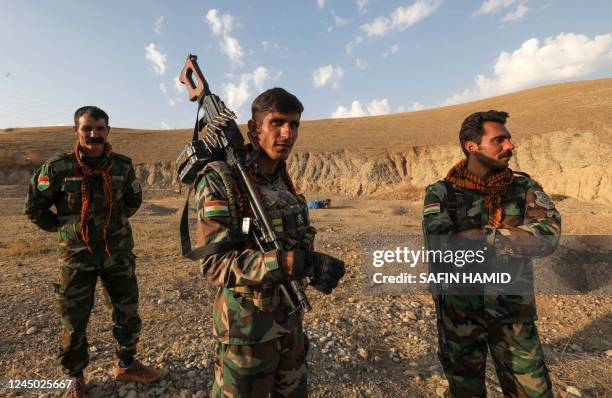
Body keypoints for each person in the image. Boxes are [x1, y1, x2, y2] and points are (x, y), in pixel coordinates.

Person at [194, 88, 345, 397]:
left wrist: (313, 266)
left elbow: (293, 240)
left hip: (289, 326)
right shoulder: (222, 180)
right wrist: (290, 262)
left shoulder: (282, 181)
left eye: (294, 124)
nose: (287, 133)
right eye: (277, 122)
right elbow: (214, 264)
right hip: (246, 334)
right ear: (254, 128)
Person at [422, 110, 561, 397]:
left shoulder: (524, 188)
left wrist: (488, 236)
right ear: (471, 146)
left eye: (509, 140)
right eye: (499, 140)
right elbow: (440, 244)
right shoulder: (442, 193)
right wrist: (516, 237)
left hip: (513, 316)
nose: (510, 146)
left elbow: (548, 236)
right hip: (459, 317)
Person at [24, 106, 160, 398]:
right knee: (74, 319)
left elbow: (133, 200)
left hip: (118, 254)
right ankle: (75, 377)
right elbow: (34, 207)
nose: (94, 134)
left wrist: (114, 225)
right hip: (76, 258)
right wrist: (66, 230)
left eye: (100, 128)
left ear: (108, 131)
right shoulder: (58, 168)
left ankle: (127, 363)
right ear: (76, 130)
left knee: (127, 312)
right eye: (87, 128)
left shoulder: (123, 166)